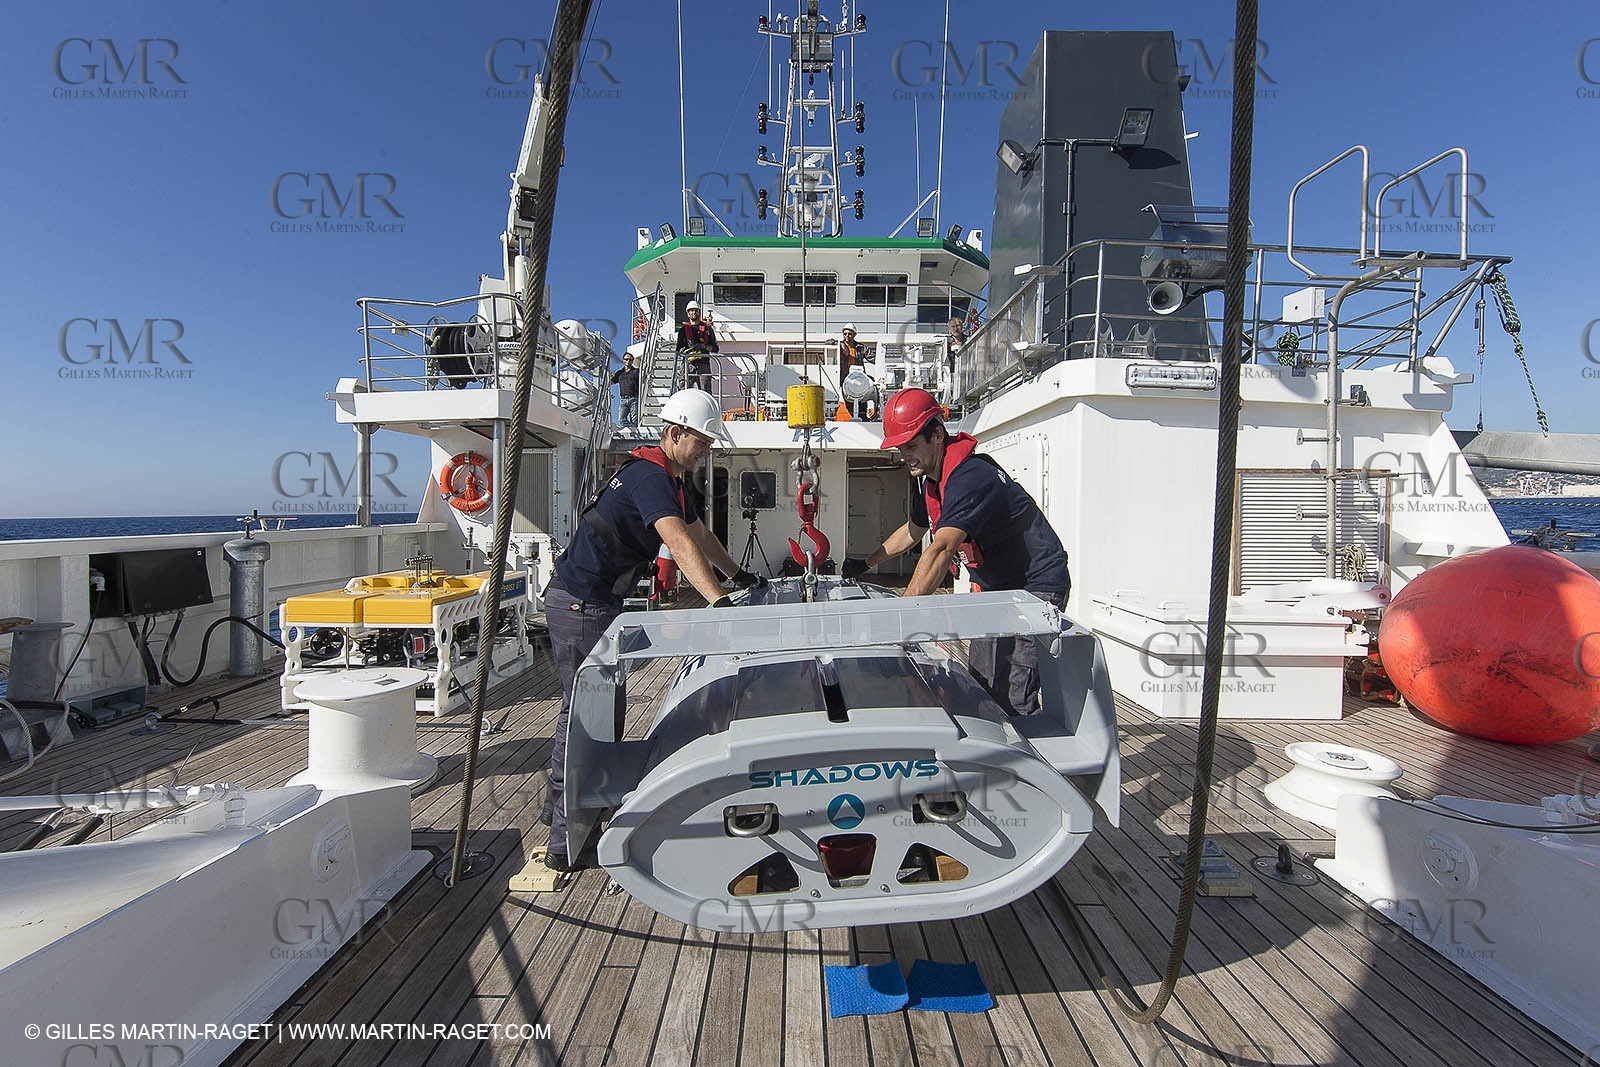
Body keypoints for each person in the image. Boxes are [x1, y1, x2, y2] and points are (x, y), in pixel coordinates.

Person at [542, 388, 763, 870]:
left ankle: (580, 809)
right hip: (580, 604)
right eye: (701, 440)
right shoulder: (648, 479)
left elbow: (701, 534)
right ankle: (563, 838)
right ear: (675, 432)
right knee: (582, 715)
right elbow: (678, 541)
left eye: (709, 442)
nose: (706, 449)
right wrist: (719, 601)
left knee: (603, 711)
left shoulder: (672, 481)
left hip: (599, 603)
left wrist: (737, 575)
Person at [842, 387, 1070, 717]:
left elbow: (942, 547)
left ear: (937, 435)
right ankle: (992, 748)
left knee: (1014, 689)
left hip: (1036, 587)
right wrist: (866, 562)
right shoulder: (932, 482)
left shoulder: (970, 477)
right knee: (980, 678)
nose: (904, 455)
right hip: (996, 588)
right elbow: (912, 531)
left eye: (910, 445)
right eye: (900, 448)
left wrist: (899, 617)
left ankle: (1025, 758)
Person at [677, 301, 719, 394]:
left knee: (705, 391)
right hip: (688, 364)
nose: (693, 312)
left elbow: (715, 348)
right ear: (688, 313)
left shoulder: (708, 329)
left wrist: (704, 347)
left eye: (695, 310)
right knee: (683, 391)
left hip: (703, 364)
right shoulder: (683, 330)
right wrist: (683, 351)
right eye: (691, 311)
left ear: (699, 312)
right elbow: (678, 349)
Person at [610, 352, 640, 427]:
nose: (628, 361)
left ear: (632, 361)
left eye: (630, 360)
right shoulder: (619, 373)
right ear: (623, 360)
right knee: (621, 420)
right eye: (626, 359)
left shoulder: (636, 371)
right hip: (623, 399)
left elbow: (644, 377)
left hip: (634, 398)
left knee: (635, 421)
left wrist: (645, 367)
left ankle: (634, 431)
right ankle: (632, 428)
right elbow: (611, 382)